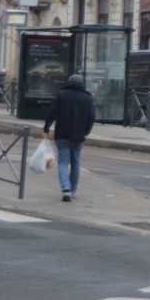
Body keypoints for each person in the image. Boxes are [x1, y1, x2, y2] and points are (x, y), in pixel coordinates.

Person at [44, 73, 95, 203]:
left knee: (62, 163)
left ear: (69, 82)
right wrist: (86, 132)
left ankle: (65, 189)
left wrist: (46, 129)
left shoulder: (62, 94)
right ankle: (73, 191)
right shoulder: (87, 97)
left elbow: (51, 113)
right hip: (79, 136)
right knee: (76, 163)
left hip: (62, 134)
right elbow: (92, 117)